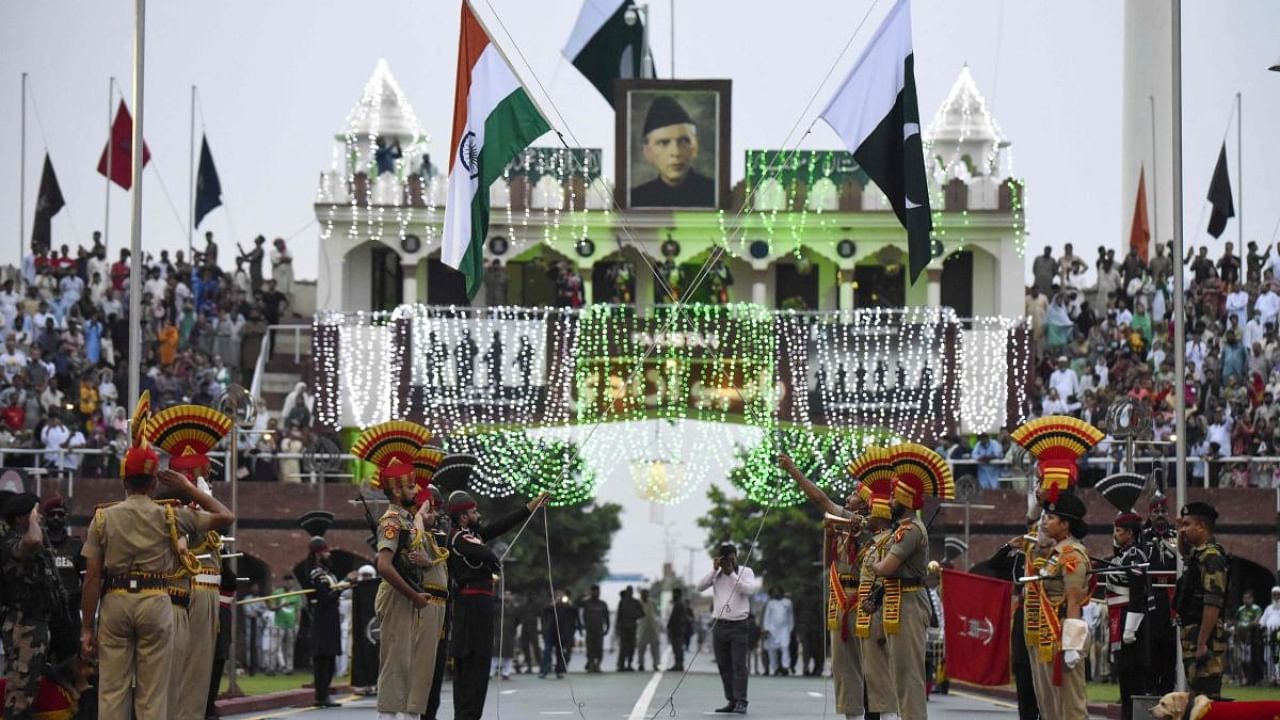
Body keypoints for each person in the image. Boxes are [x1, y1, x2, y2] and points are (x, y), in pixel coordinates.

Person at [80, 415, 235, 720]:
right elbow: (225, 516)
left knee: (112, 690)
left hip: (115, 601)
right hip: (155, 600)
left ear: (124, 481)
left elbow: (92, 578)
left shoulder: (103, 518)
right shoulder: (171, 516)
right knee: (153, 695)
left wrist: (87, 626)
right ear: (154, 483)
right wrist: (189, 489)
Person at [349, 420, 447, 720]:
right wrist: (415, 595)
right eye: (409, 484)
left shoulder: (407, 520)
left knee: (414, 663)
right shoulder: (392, 522)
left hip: (411, 596)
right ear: (395, 489)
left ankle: (409, 715)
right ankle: (389, 716)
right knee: (396, 663)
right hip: (397, 595)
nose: (415, 489)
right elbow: (384, 566)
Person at [147, 402, 234, 720]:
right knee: (187, 674)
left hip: (204, 591)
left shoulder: (193, 503)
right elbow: (224, 518)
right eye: (206, 467)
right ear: (196, 472)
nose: (211, 472)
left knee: (195, 674)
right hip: (191, 590)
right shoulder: (180, 507)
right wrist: (194, 492)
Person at [779, 450, 880, 720]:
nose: (848, 498)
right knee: (843, 664)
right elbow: (828, 563)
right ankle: (851, 715)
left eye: (854, 495)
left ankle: (879, 713)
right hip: (840, 599)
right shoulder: (846, 521)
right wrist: (830, 535)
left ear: (864, 504)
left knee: (871, 663)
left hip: (864, 599)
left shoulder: (874, 526)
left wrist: (793, 469)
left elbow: (819, 497)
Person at [446, 486, 550, 720]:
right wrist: (490, 558)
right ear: (463, 516)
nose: (478, 515)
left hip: (482, 607)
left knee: (481, 665)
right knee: (470, 664)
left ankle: (472, 715)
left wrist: (533, 504)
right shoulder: (456, 537)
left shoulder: (476, 535)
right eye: (474, 512)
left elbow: (505, 524)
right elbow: (478, 553)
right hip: (468, 607)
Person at [871, 444, 953, 720]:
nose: (889, 501)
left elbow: (886, 567)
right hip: (899, 599)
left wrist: (871, 564)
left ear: (904, 500)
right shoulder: (904, 529)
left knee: (909, 676)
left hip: (908, 602)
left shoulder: (910, 530)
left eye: (893, 496)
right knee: (900, 673)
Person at [0, 492, 67, 718]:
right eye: (35, 513)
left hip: (36, 623)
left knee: (28, 688)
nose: (40, 518)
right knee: (20, 693)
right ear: (22, 518)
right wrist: (31, 519)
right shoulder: (12, 542)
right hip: (23, 625)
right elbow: (33, 540)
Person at [1096, 473, 1151, 720]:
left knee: (1133, 680)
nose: (1114, 534)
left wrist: (1130, 628)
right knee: (1124, 680)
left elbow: (1139, 592)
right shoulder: (1122, 556)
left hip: (1132, 623)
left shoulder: (1136, 556)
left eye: (1118, 530)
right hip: (1119, 618)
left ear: (1130, 533)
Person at [1174, 502, 1228, 708]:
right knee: (1196, 697)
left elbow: (1212, 603)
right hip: (1193, 635)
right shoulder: (1199, 554)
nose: (1183, 529)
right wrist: (1180, 532)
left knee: (1207, 701)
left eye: (1187, 524)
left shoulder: (1212, 557)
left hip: (1206, 639)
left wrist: (1202, 642)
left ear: (1201, 527)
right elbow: (1183, 551)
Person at [697, 542, 760, 715]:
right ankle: (731, 699)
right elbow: (700, 587)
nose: (728, 562)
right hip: (720, 625)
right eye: (725, 559)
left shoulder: (745, 572)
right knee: (724, 664)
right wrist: (714, 571)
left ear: (736, 556)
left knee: (739, 664)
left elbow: (748, 590)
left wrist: (731, 574)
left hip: (738, 624)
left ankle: (742, 700)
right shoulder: (716, 575)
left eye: (731, 558)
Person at [630, 96, 716, 208]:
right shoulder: (636, 199)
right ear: (647, 151)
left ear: (695, 147)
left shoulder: (714, 194)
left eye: (684, 141)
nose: (676, 153)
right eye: (663, 143)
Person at [855, 494, 898, 718]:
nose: (867, 517)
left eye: (871, 513)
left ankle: (886, 715)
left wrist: (881, 624)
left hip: (879, 612)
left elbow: (885, 582)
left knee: (880, 673)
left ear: (880, 517)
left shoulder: (889, 541)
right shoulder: (874, 543)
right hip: (868, 611)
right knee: (870, 673)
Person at [1141, 492, 1179, 695]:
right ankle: (1151, 690)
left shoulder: (1177, 536)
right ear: (1150, 514)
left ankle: (1168, 689)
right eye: (1156, 512)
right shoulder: (1142, 537)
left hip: (1172, 600)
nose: (1160, 515)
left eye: (1163, 511)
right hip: (1151, 599)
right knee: (1151, 645)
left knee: (1170, 647)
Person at [41, 495, 84, 663]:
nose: (56, 518)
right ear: (46, 518)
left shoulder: (76, 546)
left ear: (65, 517)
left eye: (60, 514)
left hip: (69, 615)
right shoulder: (38, 545)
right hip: (45, 614)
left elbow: (87, 579)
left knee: (69, 664)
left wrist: (74, 595)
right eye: (52, 514)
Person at [306, 536, 346, 708]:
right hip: (323, 618)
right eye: (325, 551)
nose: (328, 554)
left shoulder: (329, 573)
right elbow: (324, 597)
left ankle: (325, 693)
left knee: (330, 657)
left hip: (332, 617)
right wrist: (342, 587)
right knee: (322, 657)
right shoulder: (316, 573)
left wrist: (344, 586)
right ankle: (320, 695)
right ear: (318, 554)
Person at [761, 587, 794, 676]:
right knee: (772, 650)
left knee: (785, 647)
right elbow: (767, 616)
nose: (776, 594)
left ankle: (785, 667)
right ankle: (774, 668)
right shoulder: (770, 603)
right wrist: (766, 628)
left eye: (778, 592)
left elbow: (790, 616)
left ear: (782, 593)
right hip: (772, 630)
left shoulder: (788, 602)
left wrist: (791, 628)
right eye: (775, 592)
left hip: (784, 629)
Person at [578, 585, 610, 673]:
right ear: (591, 592)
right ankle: (591, 664)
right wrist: (581, 627)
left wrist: (607, 627)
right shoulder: (585, 603)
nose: (595, 593)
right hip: (589, 630)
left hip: (599, 630)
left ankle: (598, 665)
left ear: (599, 592)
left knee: (599, 648)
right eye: (593, 591)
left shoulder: (603, 604)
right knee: (590, 648)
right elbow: (579, 613)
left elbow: (606, 617)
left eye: (597, 591)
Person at [614, 586, 643, 671]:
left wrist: (634, 615)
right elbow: (619, 616)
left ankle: (629, 664)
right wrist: (618, 627)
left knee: (631, 647)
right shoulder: (622, 602)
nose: (629, 593)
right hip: (623, 628)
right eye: (628, 591)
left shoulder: (636, 602)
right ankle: (621, 665)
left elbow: (642, 613)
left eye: (630, 591)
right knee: (623, 647)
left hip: (632, 628)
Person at [666, 587, 692, 672]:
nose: (673, 596)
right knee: (677, 647)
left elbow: (673, 618)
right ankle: (678, 664)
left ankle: (678, 664)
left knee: (677, 647)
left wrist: (669, 626)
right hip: (678, 629)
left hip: (677, 630)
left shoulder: (679, 604)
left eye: (674, 594)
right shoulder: (680, 603)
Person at [637, 588, 661, 672]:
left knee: (655, 647)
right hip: (642, 627)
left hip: (652, 627)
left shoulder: (653, 603)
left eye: (646, 594)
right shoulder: (638, 603)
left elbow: (657, 614)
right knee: (641, 647)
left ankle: (656, 664)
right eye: (643, 594)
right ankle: (641, 664)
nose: (644, 596)